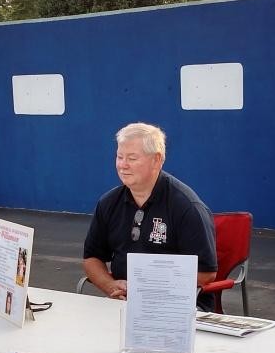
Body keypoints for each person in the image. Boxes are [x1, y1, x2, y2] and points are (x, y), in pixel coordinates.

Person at [82, 122, 218, 310]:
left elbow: (206, 273)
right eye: (119, 157)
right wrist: (110, 285)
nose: (123, 165)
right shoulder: (108, 203)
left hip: (178, 307)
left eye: (132, 158)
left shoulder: (187, 207)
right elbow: (92, 258)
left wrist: (147, 288)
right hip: (125, 304)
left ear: (157, 159)